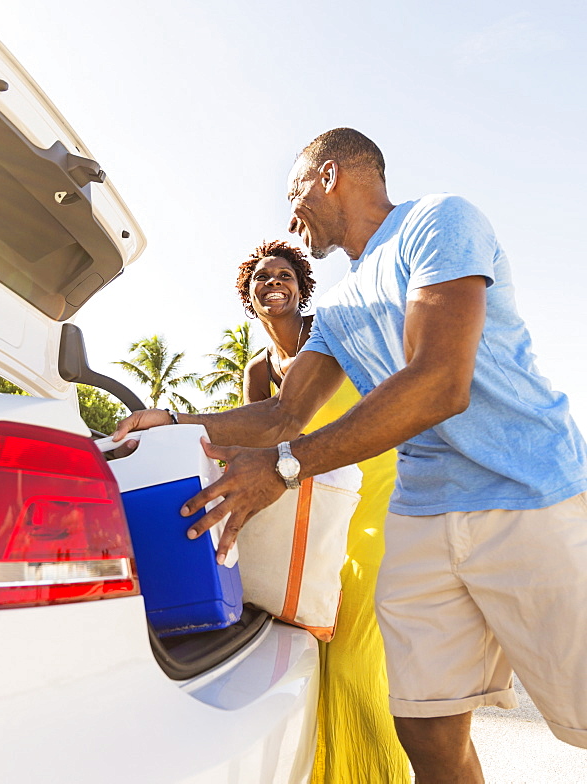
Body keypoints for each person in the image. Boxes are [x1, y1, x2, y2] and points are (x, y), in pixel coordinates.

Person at [113, 128, 587, 782]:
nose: (290, 213)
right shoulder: (336, 311)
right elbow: (282, 413)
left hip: (528, 495)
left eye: (294, 192)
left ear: (328, 174)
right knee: (425, 729)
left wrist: (283, 468)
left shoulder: (437, 222)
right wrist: (175, 420)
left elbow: (439, 382)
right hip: (422, 517)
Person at [237, 239, 410, 783]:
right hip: (320, 507)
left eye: (283, 274)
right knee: (321, 651)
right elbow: (258, 432)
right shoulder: (258, 368)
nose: (273, 282)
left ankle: (381, 773)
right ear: (250, 297)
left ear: (300, 285)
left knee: (359, 652)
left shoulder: (329, 332)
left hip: (378, 488)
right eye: (261, 278)